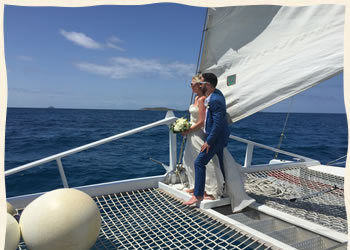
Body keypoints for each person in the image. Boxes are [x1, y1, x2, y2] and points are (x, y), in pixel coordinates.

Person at [184, 73, 255, 213]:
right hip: (215, 136)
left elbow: (217, 123)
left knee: (200, 162)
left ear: (207, 85)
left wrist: (209, 141)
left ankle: (198, 195)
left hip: (215, 138)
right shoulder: (215, 94)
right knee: (219, 163)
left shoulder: (215, 99)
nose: (199, 85)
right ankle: (224, 189)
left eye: (201, 83)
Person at [181, 75, 224, 200]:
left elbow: (201, 121)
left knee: (204, 161)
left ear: (200, 85)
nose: (191, 86)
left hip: (197, 133)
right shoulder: (196, 98)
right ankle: (196, 185)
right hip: (191, 133)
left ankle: (211, 190)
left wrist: (188, 130)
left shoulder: (203, 100)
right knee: (189, 158)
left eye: (192, 84)